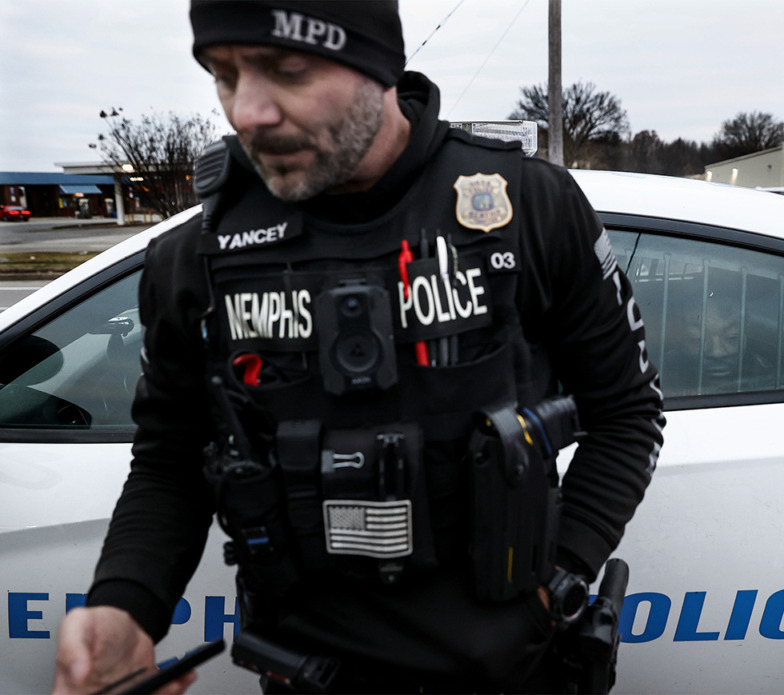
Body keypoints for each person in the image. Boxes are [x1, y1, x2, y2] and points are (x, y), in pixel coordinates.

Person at [52, 2, 665, 693]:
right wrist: (125, 606)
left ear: (379, 67)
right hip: (304, 674)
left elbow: (627, 414)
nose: (246, 111)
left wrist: (553, 582)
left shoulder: (526, 208)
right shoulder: (195, 259)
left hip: (513, 671)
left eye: (288, 70)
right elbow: (170, 457)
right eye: (223, 75)